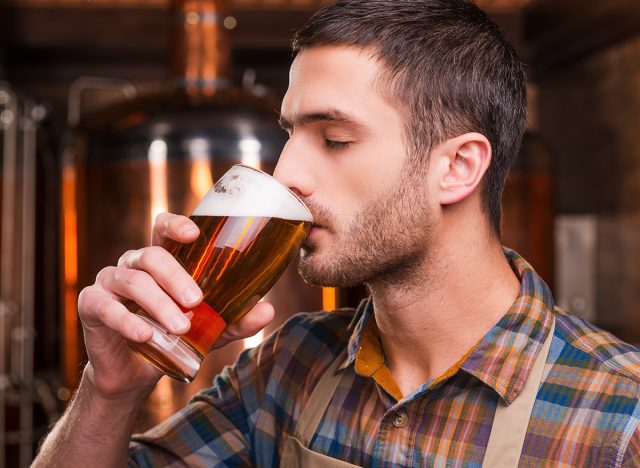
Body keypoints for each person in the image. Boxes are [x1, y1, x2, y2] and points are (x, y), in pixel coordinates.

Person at [35, 0, 640, 466]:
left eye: (335, 139)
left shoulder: (620, 416)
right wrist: (109, 392)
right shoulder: (286, 366)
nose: (287, 174)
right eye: (290, 135)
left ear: (457, 168)